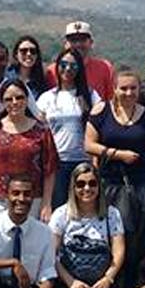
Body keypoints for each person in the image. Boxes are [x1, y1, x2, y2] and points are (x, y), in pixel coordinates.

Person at [84, 68, 145, 288]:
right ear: (115, 88)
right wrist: (117, 154)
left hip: (142, 184)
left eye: (133, 88)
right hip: (111, 182)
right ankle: (113, 286)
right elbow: (88, 144)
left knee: (137, 237)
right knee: (115, 235)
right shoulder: (101, 111)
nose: (129, 92)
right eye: (124, 88)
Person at [48, 163, 127, 288]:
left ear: (99, 186)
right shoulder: (61, 214)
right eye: (81, 184)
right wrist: (71, 282)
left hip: (101, 280)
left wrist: (108, 278)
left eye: (92, 183)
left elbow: (119, 251)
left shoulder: (111, 214)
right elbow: (50, 255)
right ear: (73, 187)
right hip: (71, 281)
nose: (87, 188)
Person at [0, 79, 57, 221]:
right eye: (8, 99)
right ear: (2, 103)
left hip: (31, 200)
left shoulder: (41, 130)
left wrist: (46, 203)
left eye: (19, 97)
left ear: (27, 99)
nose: (14, 102)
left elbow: (50, 168)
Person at [37, 47, 101, 210]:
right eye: (63, 64)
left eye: (73, 66)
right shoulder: (47, 98)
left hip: (83, 162)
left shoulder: (91, 96)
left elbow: (100, 129)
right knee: (58, 210)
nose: (67, 69)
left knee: (83, 209)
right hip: (56, 164)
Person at [47, 20, 115, 100]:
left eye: (82, 40)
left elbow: (112, 100)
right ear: (65, 44)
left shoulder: (105, 68)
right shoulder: (52, 71)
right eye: (73, 40)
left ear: (91, 42)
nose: (78, 44)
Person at [7, 35, 51, 108]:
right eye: (23, 51)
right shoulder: (6, 77)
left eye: (33, 51)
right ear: (16, 55)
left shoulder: (41, 82)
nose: (28, 54)